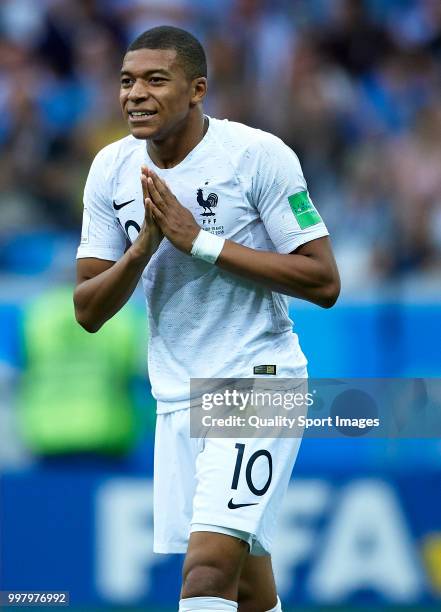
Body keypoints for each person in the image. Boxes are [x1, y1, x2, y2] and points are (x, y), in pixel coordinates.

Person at [74, 25, 340, 612]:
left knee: (205, 576)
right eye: (126, 80)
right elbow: (87, 308)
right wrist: (141, 251)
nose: (134, 94)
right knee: (247, 586)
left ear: (197, 90)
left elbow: (324, 281)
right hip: (176, 396)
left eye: (154, 80)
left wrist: (201, 243)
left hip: (256, 380)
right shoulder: (111, 169)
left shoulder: (256, 156)